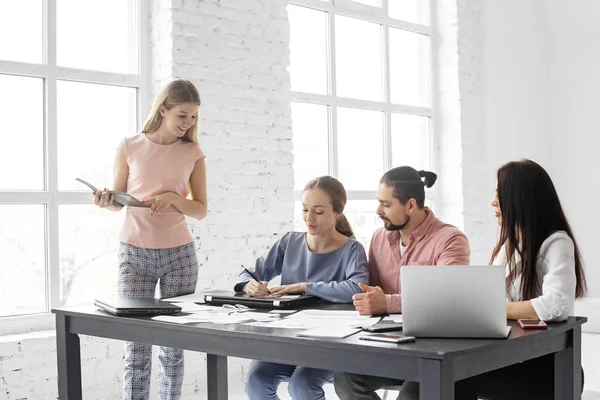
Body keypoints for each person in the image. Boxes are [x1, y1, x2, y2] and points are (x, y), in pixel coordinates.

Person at [397, 159, 587, 400]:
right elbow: (490, 295)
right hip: (509, 356)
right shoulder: (508, 246)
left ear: (521, 198)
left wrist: (493, 309)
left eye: (500, 195)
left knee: (434, 381)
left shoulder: (556, 243)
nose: (493, 202)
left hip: (543, 366)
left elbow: (556, 305)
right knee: (421, 381)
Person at [93, 79, 207, 400]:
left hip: (179, 256)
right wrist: (107, 201)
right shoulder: (129, 145)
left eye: (194, 117)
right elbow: (118, 199)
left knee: (173, 347)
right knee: (137, 345)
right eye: (182, 115)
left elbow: (200, 209)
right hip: (135, 253)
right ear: (163, 110)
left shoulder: (193, 152)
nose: (188, 124)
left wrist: (173, 196)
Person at [334, 166, 470, 400]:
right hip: (390, 346)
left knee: (411, 394)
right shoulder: (379, 238)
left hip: (432, 352)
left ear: (410, 205)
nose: (378, 210)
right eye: (379, 202)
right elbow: (373, 293)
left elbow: (447, 298)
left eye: (386, 205)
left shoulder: (450, 240)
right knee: (346, 379)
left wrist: (386, 303)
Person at [235, 176, 369, 400]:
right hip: (286, 339)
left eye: (318, 211)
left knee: (303, 386)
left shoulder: (352, 250)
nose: (309, 218)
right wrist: (250, 285)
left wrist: (303, 287)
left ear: (337, 211)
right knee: (257, 381)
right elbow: (247, 273)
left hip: (330, 343)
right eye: (305, 209)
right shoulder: (290, 242)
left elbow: (357, 288)